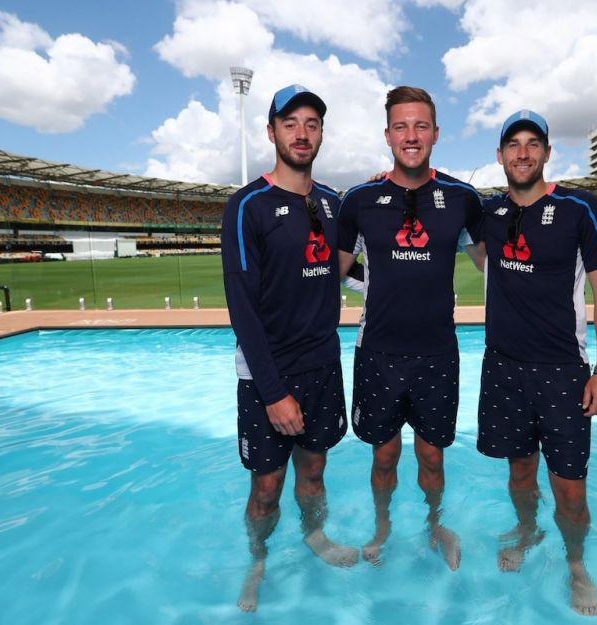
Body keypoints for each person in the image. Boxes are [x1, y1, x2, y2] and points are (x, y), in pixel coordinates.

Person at [475, 110, 597, 617]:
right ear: (500, 155)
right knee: (519, 474)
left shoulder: (579, 207)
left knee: (570, 487)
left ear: (546, 153)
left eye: (532, 143)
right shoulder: (489, 213)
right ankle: (527, 530)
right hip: (503, 367)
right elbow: (475, 250)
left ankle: (577, 564)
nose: (522, 152)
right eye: (513, 144)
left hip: (562, 370)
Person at [222, 84, 358, 612]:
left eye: (312, 124)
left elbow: (350, 271)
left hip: (323, 365)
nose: (302, 133)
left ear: (321, 132)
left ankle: (314, 537)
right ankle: (257, 560)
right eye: (291, 122)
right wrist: (273, 390)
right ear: (272, 130)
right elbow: (242, 306)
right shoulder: (247, 205)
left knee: (315, 472)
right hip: (268, 375)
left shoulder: (332, 202)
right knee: (266, 486)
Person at [338, 86, 484, 570]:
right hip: (377, 351)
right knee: (383, 457)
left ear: (436, 133)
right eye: (401, 126)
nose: (411, 135)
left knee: (433, 458)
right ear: (387, 134)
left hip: (437, 354)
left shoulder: (463, 198)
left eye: (421, 125)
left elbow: (495, 266)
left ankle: (434, 524)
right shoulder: (360, 199)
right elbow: (333, 272)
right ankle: (382, 528)